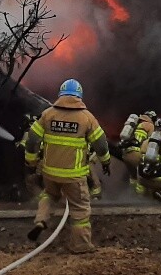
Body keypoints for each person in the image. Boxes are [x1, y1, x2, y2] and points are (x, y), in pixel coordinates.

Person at [20, 78, 110, 253]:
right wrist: (106, 161)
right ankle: (81, 245)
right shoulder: (87, 118)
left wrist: (30, 162)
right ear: (79, 96)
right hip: (74, 176)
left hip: (50, 173)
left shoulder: (48, 115)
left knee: (49, 196)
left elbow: (32, 140)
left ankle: (41, 220)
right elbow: (101, 145)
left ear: (61, 94)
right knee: (80, 209)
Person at [119, 111, 156, 193]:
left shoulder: (134, 124)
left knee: (133, 177)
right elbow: (150, 143)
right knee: (143, 177)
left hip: (125, 153)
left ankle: (131, 193)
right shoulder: (150, 125)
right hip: (136, 153)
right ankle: (140, 197)